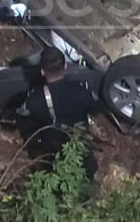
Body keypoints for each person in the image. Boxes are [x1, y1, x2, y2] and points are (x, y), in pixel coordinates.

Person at [16, 47, 99, 180]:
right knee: (86, 173)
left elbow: (25, 120)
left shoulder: (35, 98)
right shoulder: (82, 89)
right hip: (80, 144)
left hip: (53, 148)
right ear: (65, 66)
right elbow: (95, 110)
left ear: (42, 71)